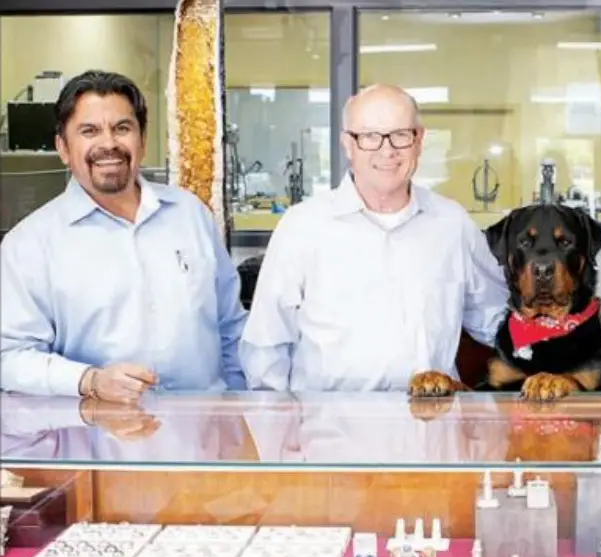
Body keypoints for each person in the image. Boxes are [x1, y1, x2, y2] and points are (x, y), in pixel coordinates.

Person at [239, 84, 509, 392]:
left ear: (419, 140)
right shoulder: (303, 227)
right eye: (369, 136)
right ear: (347, 143)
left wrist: (566, 351)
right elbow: (266, 344)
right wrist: (274, 432)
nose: (387, 150)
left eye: (401, 135)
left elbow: (498, 322)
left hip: (433, 428)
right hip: (326, 432)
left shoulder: (452, 224)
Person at [0, 70, 247, 404]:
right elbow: (10, 358)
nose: (109, 144)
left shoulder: (190, 215)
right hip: (98, 444)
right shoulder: (30, 244)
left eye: (122, 128)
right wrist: (89, 380)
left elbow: (231, 328)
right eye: (89, 131)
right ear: (63, 147)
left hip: (203, 440)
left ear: (142, 139)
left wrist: (239, 414)